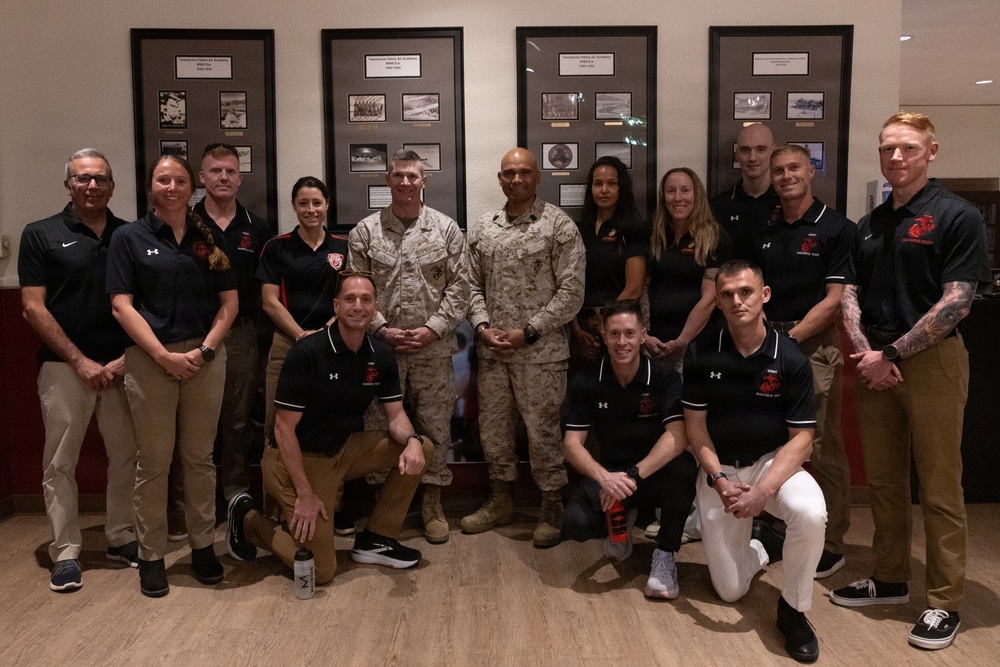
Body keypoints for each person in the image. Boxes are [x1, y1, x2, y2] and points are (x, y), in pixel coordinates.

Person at [830, 112, 991, 651]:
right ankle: (891, 577)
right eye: (887, 148)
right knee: (884, 481)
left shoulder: (957, 215)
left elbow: (958, 301)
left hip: (931, 364)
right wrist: (867, 353)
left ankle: (943, 601)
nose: (895, 157)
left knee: (940, 487)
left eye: (907, 148)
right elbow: (850, 293)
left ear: (931, 152)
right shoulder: (870, 223)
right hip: (875, 362)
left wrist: (893, 353)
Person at [226, 273, 434, 584]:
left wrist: (413, 439)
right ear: (336, 306)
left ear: (375, 307)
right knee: (321, 571)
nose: (358, 306)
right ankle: (246, 519)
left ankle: (377, 539)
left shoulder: (381, 354)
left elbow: (395, 417)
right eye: (349, 299)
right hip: (295, 460)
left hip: (342, 450)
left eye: (366, 300)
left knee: (422, 447)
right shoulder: (307, 352)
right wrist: (305, 494)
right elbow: (283, 430)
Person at [107, 155, 237, 598]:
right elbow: (121, 305)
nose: (172, 187)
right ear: (151, 187)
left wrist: (205, 350)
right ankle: (151, 555)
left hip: (204, 358)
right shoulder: (129, 237)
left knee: (200, 458)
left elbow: (230, 304)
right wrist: (162, 355)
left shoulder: (210, 237)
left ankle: (202, 547)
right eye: (163, 180)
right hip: (150, 359)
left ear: (191, 187)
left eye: (179, 180)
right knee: (154, 462)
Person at [683, 260, 826, 663]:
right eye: (726, 294)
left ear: (764, 295)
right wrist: (717, 479)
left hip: (770, 464)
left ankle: (793, 609)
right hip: (720, 471)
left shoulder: (791, 358)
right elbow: (695, 429)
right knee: (730, 592)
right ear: (717, 302)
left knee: (810, 513)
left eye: (745, 292)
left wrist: (763, 491)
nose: (736, 301)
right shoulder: (702, 351)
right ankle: (763, 545)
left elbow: (802, 440)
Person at [18, 148, 138, 592]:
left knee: (127, 457)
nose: (92, 185)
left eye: (100, 178)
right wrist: (79, 361)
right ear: (68, 184)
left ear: (112, 185)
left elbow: (143, 303)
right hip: (64, 367)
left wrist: (127, 358)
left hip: (124, 367)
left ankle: (121, 536)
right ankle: (66, 551)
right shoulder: (41, 234)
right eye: (83, 178)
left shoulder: (130, 235)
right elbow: (32, 307)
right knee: (60, 462)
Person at [463, 147, 585, 548]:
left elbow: (572, 292)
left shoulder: (558, 226)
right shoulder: (484, 228)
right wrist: (482, 327)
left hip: (541, 355)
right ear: (500, 178)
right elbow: (470, 285)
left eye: (525, 173)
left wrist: (530, 331)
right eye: (509, 173)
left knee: (543, 431)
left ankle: (551, 506)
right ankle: (501, 500)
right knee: (494, 429)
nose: (517, 180)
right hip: (494, 352)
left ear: (537, 177)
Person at [348, 149, 469, 545]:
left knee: (435, 426)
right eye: (398, 175)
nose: (405, 182)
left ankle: (432, 502)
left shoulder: (446, 230)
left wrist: (434, 329)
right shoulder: (365, 232)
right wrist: (381, 328)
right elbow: (355, 289)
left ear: (423, 181)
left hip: (433, 351)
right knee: (380, 428)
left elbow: (460, 288)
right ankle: (386, 507)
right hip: (380, 352)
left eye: (412, 176)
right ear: (387, 180)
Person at [753, 144, 854, 578]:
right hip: (769, 342)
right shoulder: (768, 227)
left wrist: (788, 340)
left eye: (794, 167)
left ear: (810, 171)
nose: (786, 176)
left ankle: (832, 542)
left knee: (821, 444)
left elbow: (834, 302)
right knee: (774, 440)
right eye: (778, 171)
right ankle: (780, 526)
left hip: (812, 347)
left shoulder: (836, 228)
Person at [562, 300, 698, 598]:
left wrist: (633, 475)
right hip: (612, 476)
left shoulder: (664, 378)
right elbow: (572, 444)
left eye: (629, 333)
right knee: (575, 523)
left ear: (642, 335)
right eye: (614, 334)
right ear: (603, 335)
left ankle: (665, 554)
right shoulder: (587, 379)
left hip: (651, 473)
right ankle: (621, 521)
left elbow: (679, 436)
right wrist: (605, 478)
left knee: (685, 468)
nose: (621, 342)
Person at [193, 143, 272, 505]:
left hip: (241, 334)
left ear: (240, 179)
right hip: (194, 333)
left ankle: (235, 496)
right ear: (202, 177)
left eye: (230, 172)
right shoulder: (184, 223)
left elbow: (265, 287)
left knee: (238, 421)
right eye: (215, 171)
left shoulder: (257, 228)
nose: (223, 177)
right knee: (194, 421)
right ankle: (192, 501)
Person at [257, 177, 348, 460]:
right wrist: (300, 335)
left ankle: (325, 487)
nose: (311, 210)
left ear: (327, 205)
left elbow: (348, 299)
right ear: (294, 206)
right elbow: (269, 302)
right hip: (287, 344)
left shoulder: (343, 248)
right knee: (276, 424)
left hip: (331, 345)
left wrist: (322, 334)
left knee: (325, 421)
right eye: (303, 203)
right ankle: (275, 489)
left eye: (317, 203)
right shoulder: (276, 247)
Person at [646, 168, 733, 371]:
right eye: (671, 191)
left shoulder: (715, 239)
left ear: (697, 195)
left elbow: (710, 298)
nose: (678, 198)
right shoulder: (654, 236)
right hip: (653, 343)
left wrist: (682, 341)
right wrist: (643, 336)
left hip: (694, 345)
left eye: (685, 190)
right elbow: (642, 288)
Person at [570, 156, 647, 363]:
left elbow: (634, 289)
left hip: (617, 328)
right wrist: (577, 331)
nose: (604, 190)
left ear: (622, 188)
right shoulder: (578, 229)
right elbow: (568, 285)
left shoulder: (634, 229)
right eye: (598, 184)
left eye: (612, 183)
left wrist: (606, 326)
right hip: (579, 329)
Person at [710, 123, 780, 261]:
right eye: (745, 150)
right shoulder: (718, 206)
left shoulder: (787, 202)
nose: (752, 158)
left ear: (774, 152)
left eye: (760, 149)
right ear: (737, 155)